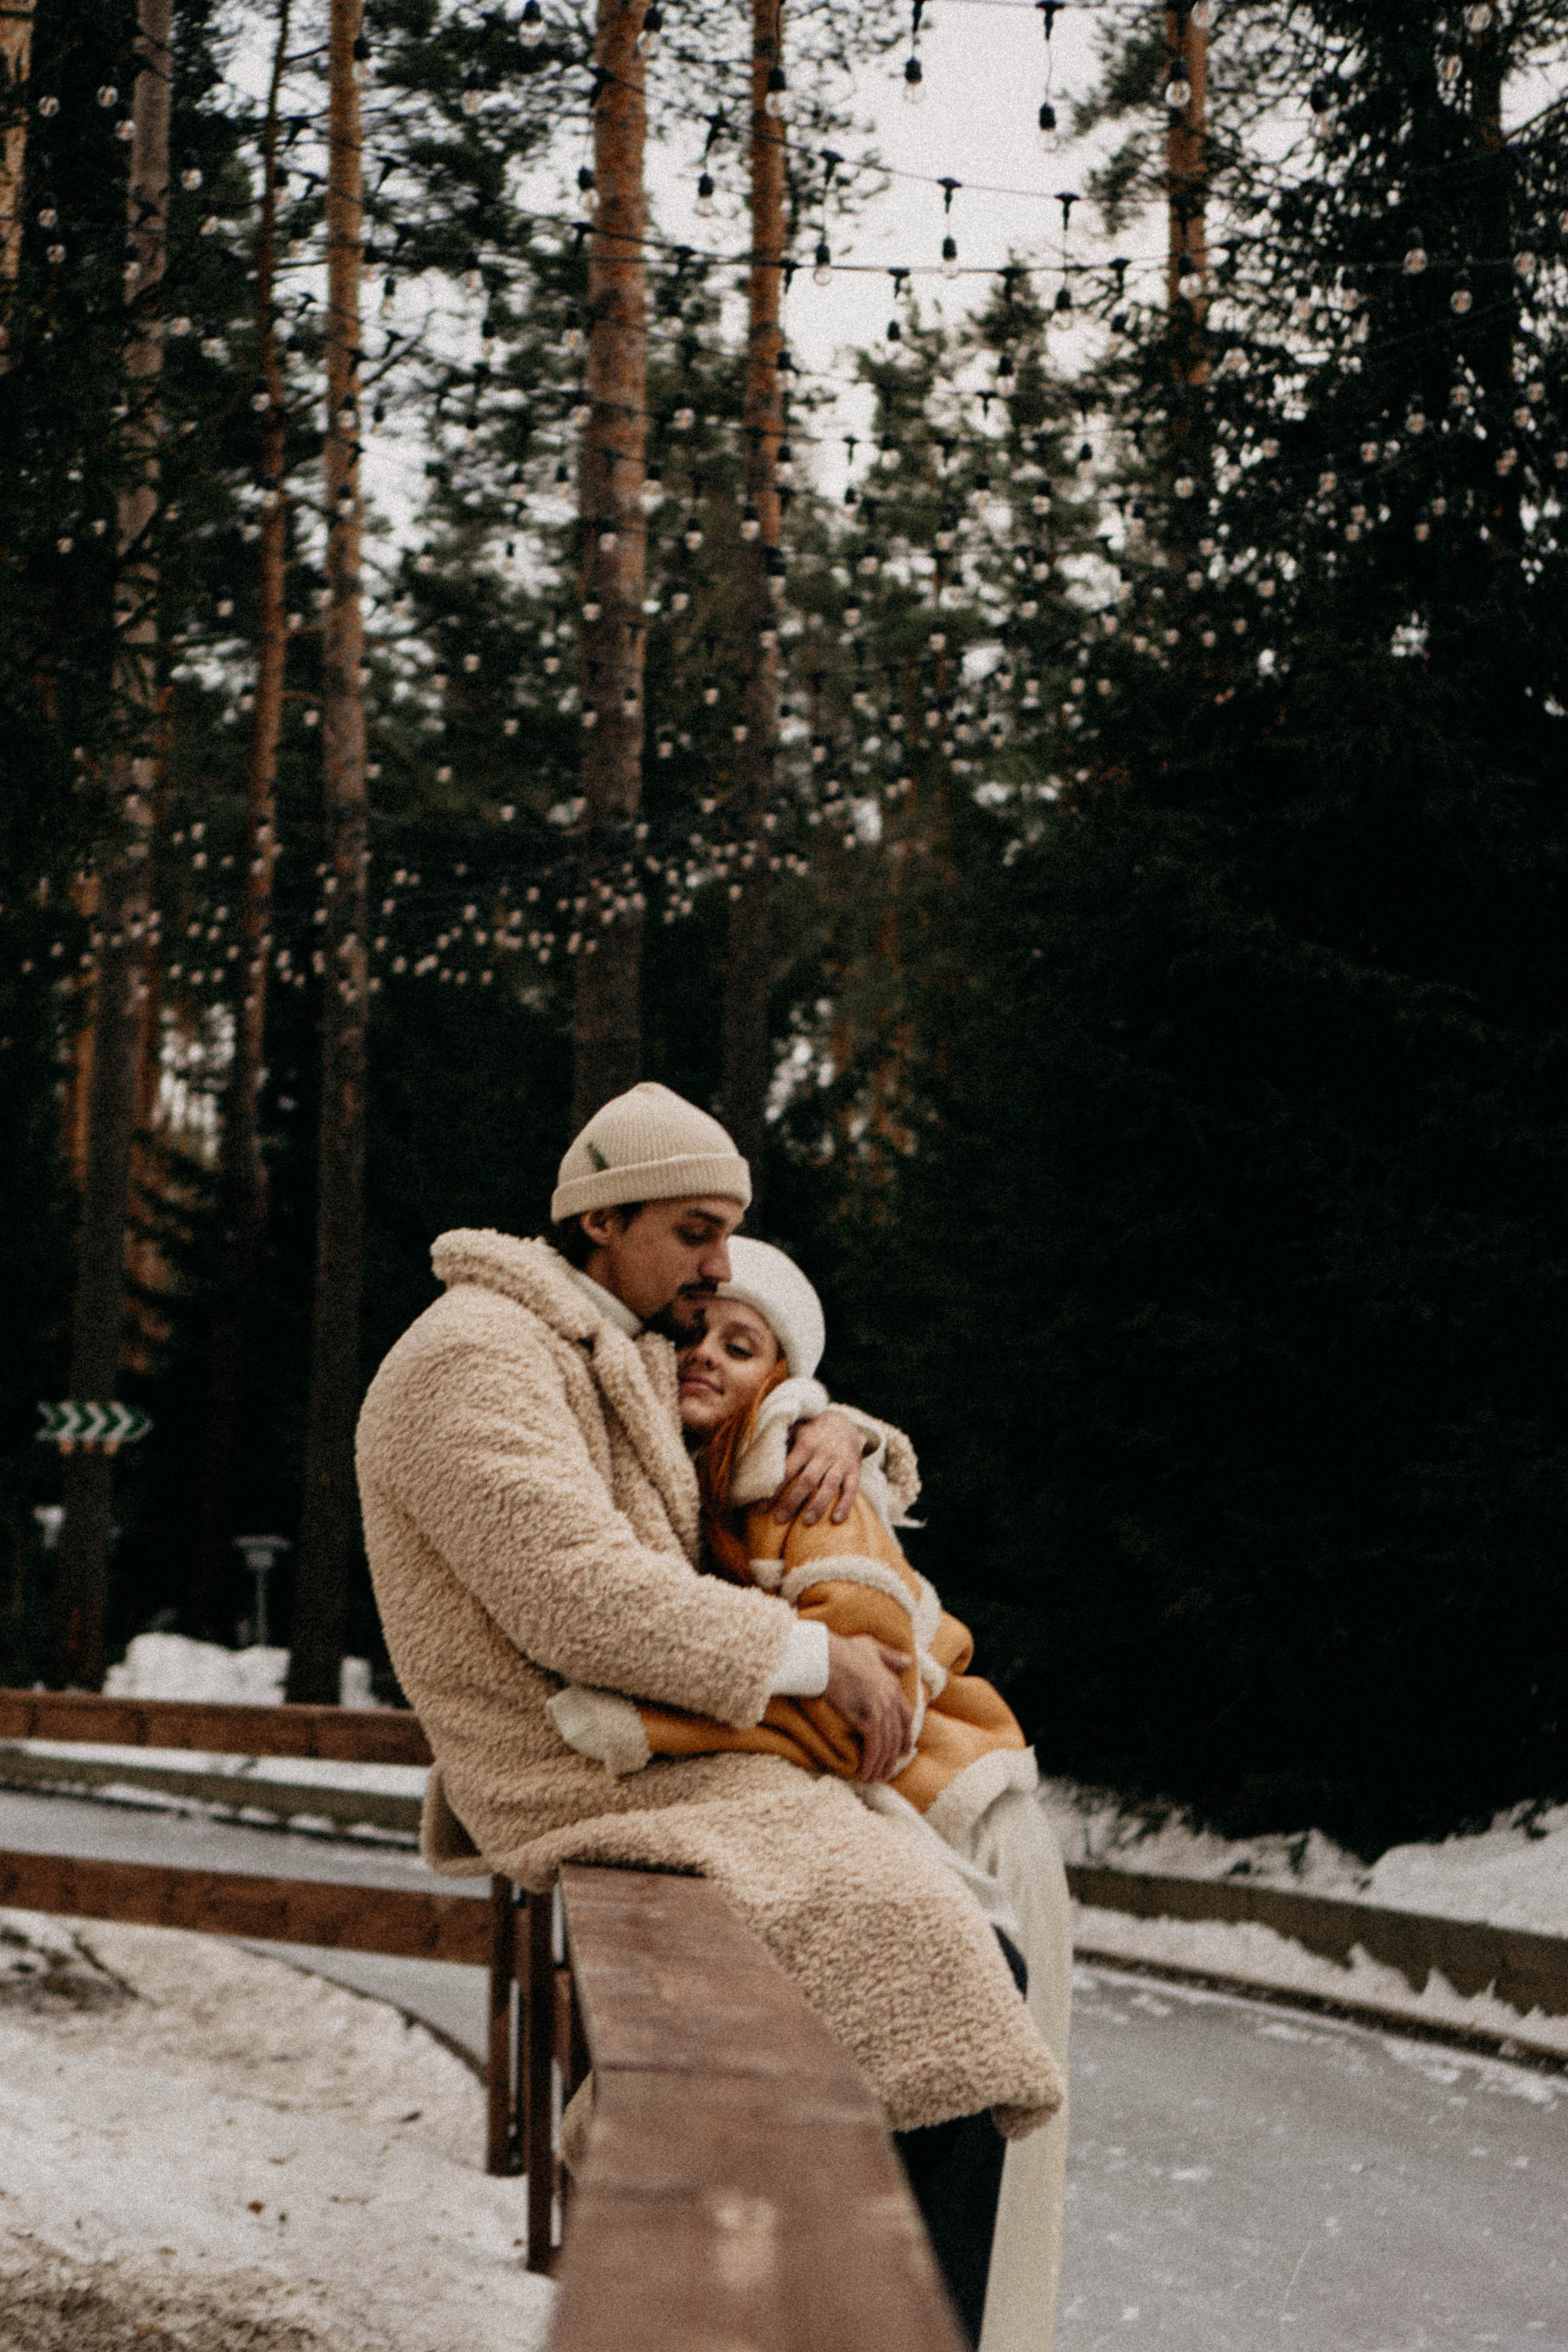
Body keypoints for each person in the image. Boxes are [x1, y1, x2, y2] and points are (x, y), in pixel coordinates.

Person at [356, 1082, 1063, 2343]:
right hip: (585, 1764)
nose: (720, 1264)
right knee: (959, 1991)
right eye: (694, 1231)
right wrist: (807, 1657)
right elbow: (573, 1593)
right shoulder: (476, 1356)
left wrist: (840, 1425)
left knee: (964, 1983)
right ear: (598, 1221)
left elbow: (740, 1439)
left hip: (659, 1747)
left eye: (727, 1232)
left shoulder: (594, 1350)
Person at [548, 1237, 1074, 2351]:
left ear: (789, 1383)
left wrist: (643, 1724)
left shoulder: (804, 1477)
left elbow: (851, 1695)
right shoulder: (700, 1477)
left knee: (970, 2062)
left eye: (743, 1348)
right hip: (896, 1811)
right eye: (693, 1335)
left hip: (965, 1819)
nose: (704, 1359)